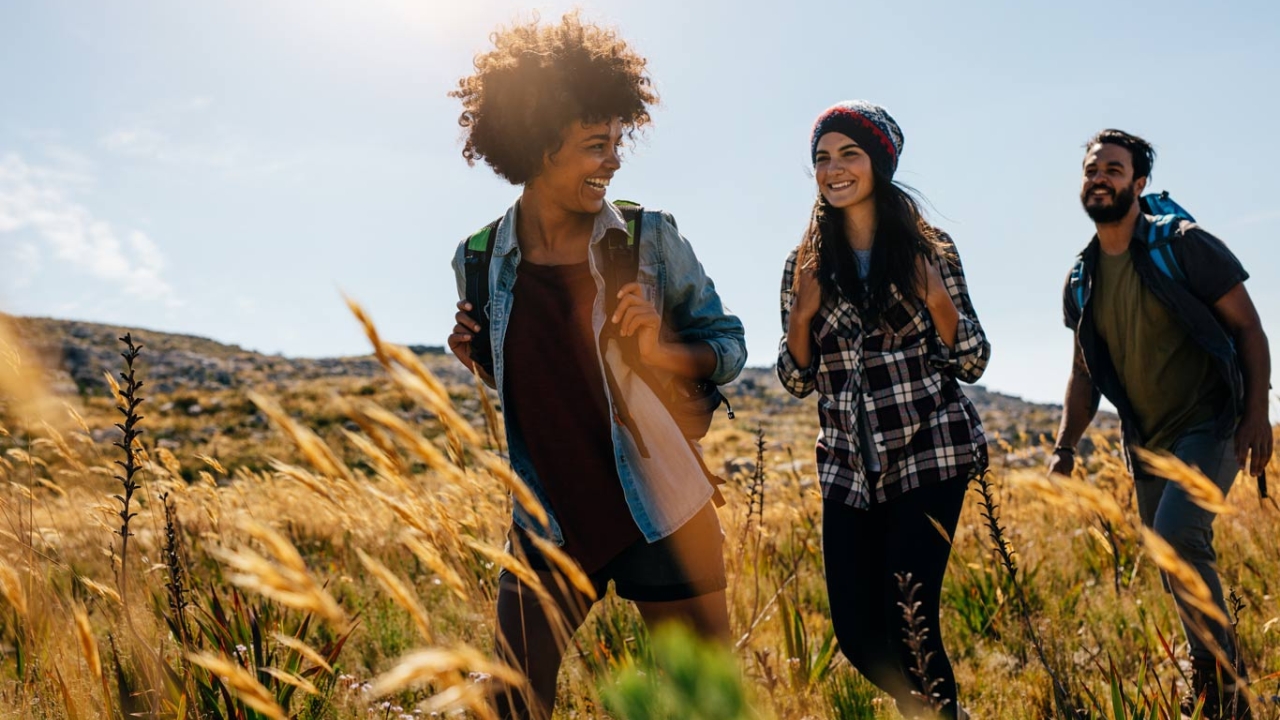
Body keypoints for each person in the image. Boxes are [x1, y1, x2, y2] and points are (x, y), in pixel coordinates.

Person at [446, 14, 746, 719]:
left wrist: (664, 351)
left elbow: (727, 345)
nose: (612, 161)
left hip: (663, 511)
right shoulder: (480, 258)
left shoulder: (649, 238)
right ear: (536, 142)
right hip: (548, 520)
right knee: (511, 706)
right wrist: (479, 362)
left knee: (705, 709)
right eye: (594, 145)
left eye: (617, 142)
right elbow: (540, 386)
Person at [777, 100, 989, 719]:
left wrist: (938, 304)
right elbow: (795, 378)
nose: (833, 169)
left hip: (929, 452)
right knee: (856, 633)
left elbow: (972, 361)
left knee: (912, 623)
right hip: (847, 467)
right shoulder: (804, 263)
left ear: (880, 163)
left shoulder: (930, 248)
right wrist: (800, 317)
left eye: (849, 154)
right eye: (822, 158)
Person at [1050, 129, 1271, 719]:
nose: (1100, 177)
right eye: (1092, 169)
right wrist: (1065, 445)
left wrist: (1257, 416)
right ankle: (1212, 678)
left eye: (1114, 169)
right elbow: (1083, 371)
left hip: (1213, 421)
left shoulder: (1184, 245)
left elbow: (1249, 329)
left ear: (1139, 184)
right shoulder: (1082, 277)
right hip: (1147, 443)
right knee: (1170, 559)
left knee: (1179, 536)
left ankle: (1228, 693)